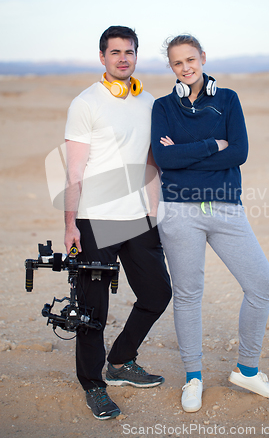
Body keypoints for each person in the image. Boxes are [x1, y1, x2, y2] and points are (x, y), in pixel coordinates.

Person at [151, 34, 269, 413]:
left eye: (191, 59)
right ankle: (193, 377)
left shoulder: (227, 100)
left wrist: (183, 153)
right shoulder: (162, 107)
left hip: (226, 208)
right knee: (189, 295)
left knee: (261, 283)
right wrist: (213, 146)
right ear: (172, 67)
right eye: (178, 63)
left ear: (203, 58)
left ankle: (247, 369)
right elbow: (164, 158)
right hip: (179, 212)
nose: (186, 67)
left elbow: (239, 152)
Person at [64, 25, 172, 420]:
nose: (122, 58)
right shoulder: (86, 103)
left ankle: (121, 360)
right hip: (96, 218)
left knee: (157, 293)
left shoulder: (150, 103)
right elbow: (74, 170)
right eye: (115, 52)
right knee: (93, 309)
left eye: (129, 51)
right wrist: (70, 224)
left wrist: (153, 212)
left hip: (137, 218)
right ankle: (93, 384)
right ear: (102, 57)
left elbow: (150, 163)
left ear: (136, 56)